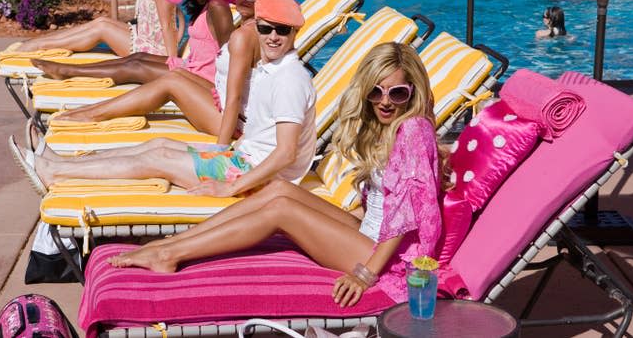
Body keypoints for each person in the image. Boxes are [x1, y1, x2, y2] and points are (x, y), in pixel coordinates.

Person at [105, 41, 444, 308]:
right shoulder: (394, 128)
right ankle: (174, 242)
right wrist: (339, 222)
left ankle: (168, 254)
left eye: (397, 93)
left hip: (388, 258)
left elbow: (405, 216)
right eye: (376, 91)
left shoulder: (413, 129)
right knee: (279, 190)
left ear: (412, 92)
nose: (384, 102)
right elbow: (382, 204)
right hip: (370, 233)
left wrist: (365, 276)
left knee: (282, 211)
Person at [11, 0, 317, 200]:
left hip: (258, 178)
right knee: (159, 144)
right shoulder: (271, 68)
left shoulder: (290, 79)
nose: (273, 36)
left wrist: (230, 187)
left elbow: (286, 153)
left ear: (295, 33)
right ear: (255, 27)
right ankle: (61, 161)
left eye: (282, 30)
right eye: (266, 29)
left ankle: (55, 173)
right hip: (242, 159)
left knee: (158, 159)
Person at [46, 0, 280, 146]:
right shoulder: (265, 30)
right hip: (233, 109)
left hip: (234, 124)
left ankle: (91, 115)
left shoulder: (245, 37)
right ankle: (86, 112)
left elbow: (234, 99)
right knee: (174, 76)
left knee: (170, 83)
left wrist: (220, 150)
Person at [30, 0, 231, 86]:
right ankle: (67, 66)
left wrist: (175, 59)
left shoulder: (216, 7)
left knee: (134, 65)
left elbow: (229, 54)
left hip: (197, 77)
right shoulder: (204, 7)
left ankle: (67, 70)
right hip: (190, 66)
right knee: (134, 58)